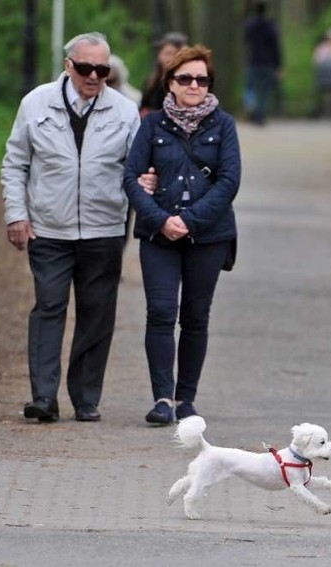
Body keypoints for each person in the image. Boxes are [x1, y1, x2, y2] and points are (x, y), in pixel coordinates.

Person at [1, 32, 147, 424]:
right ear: (68, 66)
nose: (94, 76)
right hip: (49, 228)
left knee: (97, 313)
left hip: (104, 229)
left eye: (102, 69)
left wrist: (145, 192)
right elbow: (15, 163)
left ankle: (85, 398)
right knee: (49, 306)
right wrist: (17, 214)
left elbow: (136, 169)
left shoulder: (125, 110)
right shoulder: (36, 103)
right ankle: (44, 397)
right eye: (86, 68)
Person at [123, 45, 241, 425]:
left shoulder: (224, 125)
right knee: (160, 312)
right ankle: (162, 398)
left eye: (201, 79)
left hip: (208, 236)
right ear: (169, 83)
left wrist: (189, 220)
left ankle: (185, 399)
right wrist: (161, 220)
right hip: (159, 236)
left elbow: (229, 181)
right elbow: (131, 178)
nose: (194, 85)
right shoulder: (152, 125)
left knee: (195, 315)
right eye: (185, 78)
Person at [243, 1, 282, 125]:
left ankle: (251, 104)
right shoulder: (271, 26)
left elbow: (246, 41)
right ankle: (260, 114)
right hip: (267, 62)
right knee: (265, 90)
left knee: (250, 87)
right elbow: (276, 46)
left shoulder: (249, 26)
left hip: (253, 60)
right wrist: (278, 65)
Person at [140, 32, 189, 118]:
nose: (171, 58)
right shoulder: (151, 83)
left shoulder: (188, 82)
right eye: (168, 53)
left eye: (176, 54)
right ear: (160, 55)